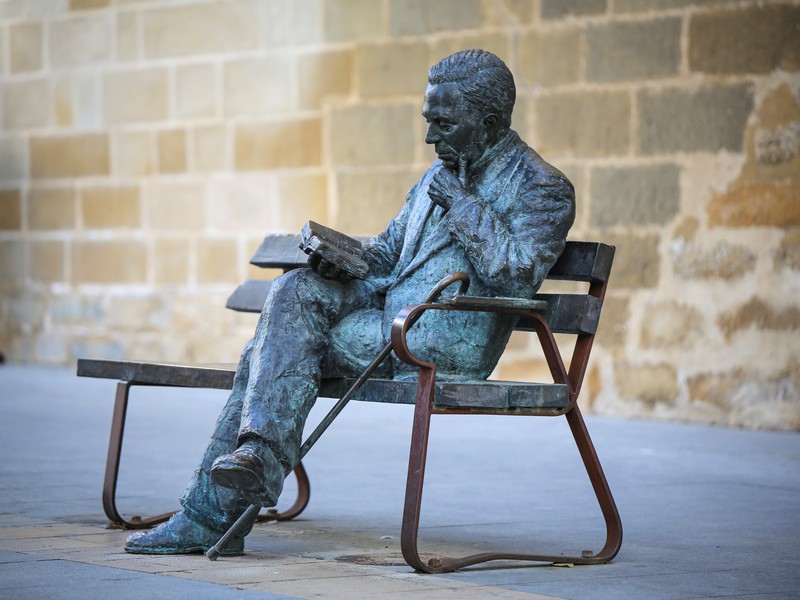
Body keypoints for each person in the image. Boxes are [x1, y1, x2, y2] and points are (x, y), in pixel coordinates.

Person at [124, 49, 575, 555]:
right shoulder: (438, 173)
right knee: (293, 291)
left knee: (268, 354)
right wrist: (341, 262)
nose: (430, 138)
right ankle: (251, 463)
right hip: (388, 326)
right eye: (428, 121)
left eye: (444, 124)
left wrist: (462, 204)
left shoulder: (542, 187)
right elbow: (388, 253)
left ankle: (211, 512)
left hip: (438, 337)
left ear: (489, 122)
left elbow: (517, 276)